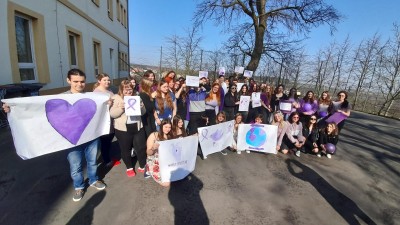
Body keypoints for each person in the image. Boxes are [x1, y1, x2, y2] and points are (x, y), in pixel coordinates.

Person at [1, 69, 107, 202]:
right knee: (76, 165)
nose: (79, 84)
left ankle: (94, 179)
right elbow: (36, 110)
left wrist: (108, 102)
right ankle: (79, 186)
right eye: (75, 81)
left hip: (91, 136)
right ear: (68, 80)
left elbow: (106, 104)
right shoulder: (59, 99)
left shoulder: (93, 97)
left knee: (92, 161)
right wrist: (13, 108)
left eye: (82, 81)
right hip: (72, 139)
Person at [110, 80, 147, 178]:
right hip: (123, 129)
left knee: (141, 148)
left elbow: (143, 112)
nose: (128, 92)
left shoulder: (137, 97)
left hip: (137, 126)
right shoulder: (116, 98)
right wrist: (121, 109)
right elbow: (112, 114)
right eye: (126, 90)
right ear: (121, 89)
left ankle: (143, 165)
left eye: (130, 89)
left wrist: (141, 107)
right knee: (125, 149)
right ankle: (129, 167)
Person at [93, 73, 120, 167]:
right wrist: (107, 105)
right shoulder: (97, 93)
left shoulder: (109, 90)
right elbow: (96, 109)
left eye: (108, 80)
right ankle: (106, 160)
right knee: (105, 141)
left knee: (109, 140)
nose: (107, 82)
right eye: (104, 80)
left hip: (111, 119)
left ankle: (107, 156)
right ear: (99, 81)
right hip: (104, 122)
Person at [146, 120, 173, 187]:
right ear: (161, 126)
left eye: (169, 127)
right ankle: (148, 170)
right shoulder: (154, 135)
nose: (168, 129)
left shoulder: (170, 136)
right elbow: (148, 152)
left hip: (166, 160)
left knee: (178, 176)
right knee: (167, 184)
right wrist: (153, 148)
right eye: (166, 127)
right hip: (155, 160)